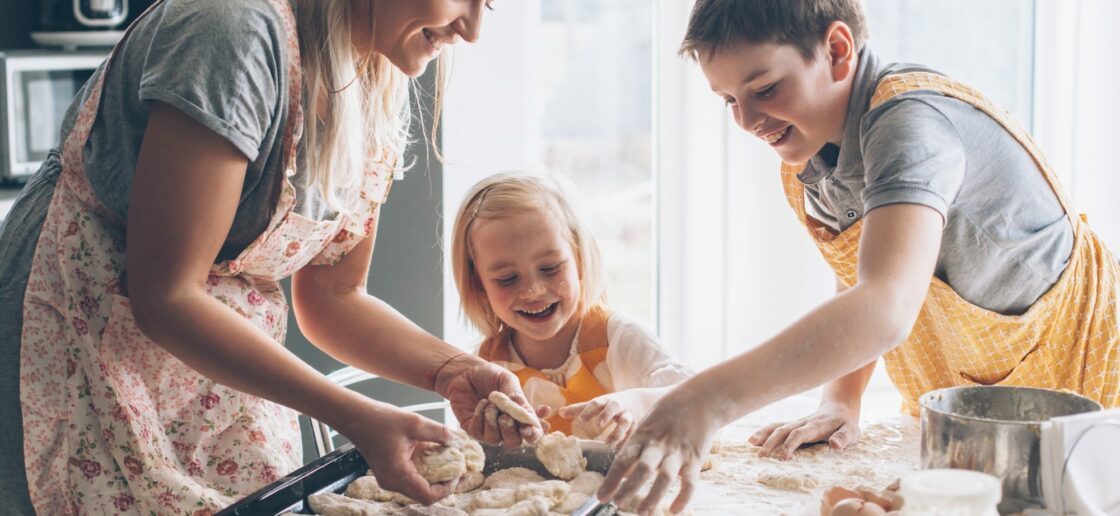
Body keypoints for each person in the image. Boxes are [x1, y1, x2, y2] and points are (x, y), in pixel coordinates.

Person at [0, 0, 543, 513]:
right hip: (82, 346)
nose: (470, 30)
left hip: (217, 379)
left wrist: (454, 370)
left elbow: (334, 295)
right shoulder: (232, 32)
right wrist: (357, 416)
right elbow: (167, 296)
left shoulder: (375, 72)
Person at [597, 0, 1120, 513]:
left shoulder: (910, 125)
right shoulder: (815, 149)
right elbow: (860, 274)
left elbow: (885, 304)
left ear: (838, 50)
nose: (747, 120)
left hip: (1093, 381)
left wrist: (704, 401)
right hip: (980, 407)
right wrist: (841, 399)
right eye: (728, 100)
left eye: (764, 89)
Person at [449, 173, 692, 447]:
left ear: (579, 259)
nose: (533, 291)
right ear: (478, 284)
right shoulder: (489, 366)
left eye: (550, 268)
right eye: (507, 279)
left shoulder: (615, 339)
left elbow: (695, 397)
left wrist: (635, 403)